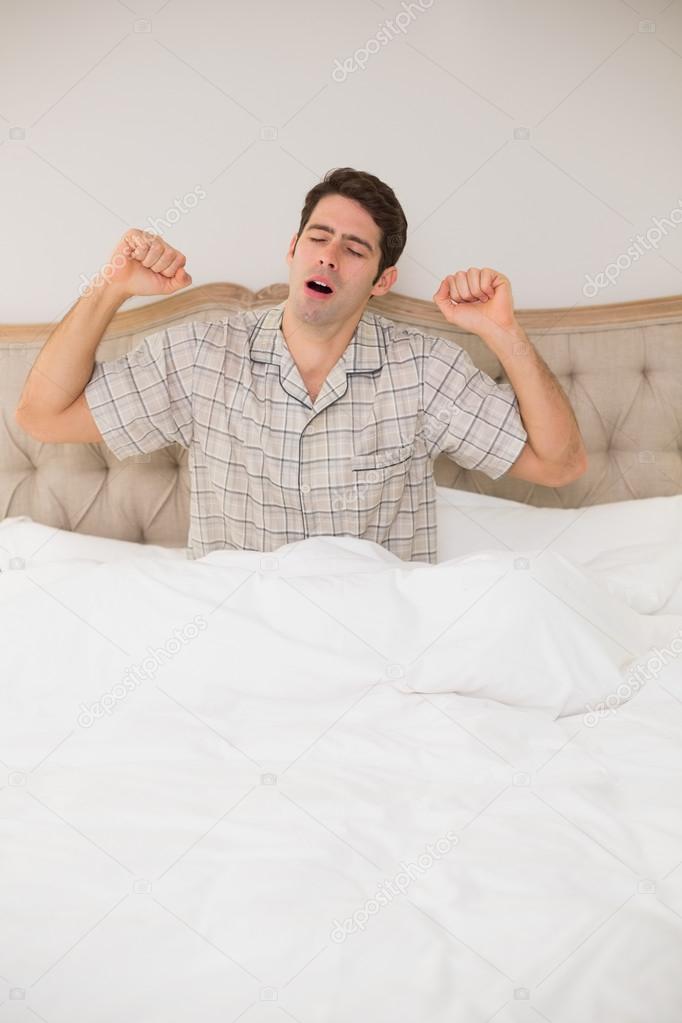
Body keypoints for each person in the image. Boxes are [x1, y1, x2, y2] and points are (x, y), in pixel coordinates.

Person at [14, 167, 587, 563]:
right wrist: (110, 289)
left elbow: (560, 465)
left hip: (378, 644)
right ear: (294, 250)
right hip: (240, 633)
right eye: (319, 237)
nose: (330, 256)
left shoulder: (424, 369)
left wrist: (503, 333)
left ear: (382, 280)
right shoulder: (200, 354)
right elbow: (42, 416)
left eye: (356, 249)